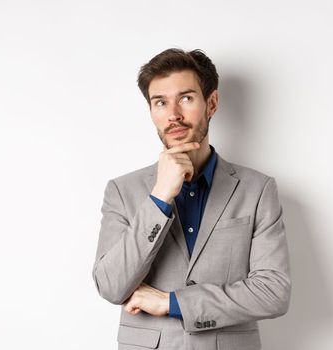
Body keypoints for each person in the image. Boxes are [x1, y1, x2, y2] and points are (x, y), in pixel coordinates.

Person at [91, 48, 291, 350]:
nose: (173, 114)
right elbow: (111, 285)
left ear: (211, 103)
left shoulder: (257, 189)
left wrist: (172, 303)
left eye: (186, 98)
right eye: (160, 102)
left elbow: (273, 292)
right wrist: (160, 197)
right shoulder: (122, 191)